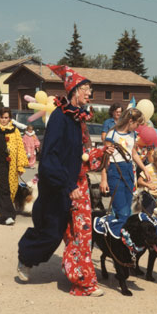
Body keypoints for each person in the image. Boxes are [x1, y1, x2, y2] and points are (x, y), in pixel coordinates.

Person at [17, 65, 107, 282]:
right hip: (56, 187)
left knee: (77, 232)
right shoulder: (60, 117)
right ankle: (26, 258)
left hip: (72, 186)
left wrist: (102, 153)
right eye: (85, 88)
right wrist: (68, 186)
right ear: (74, 90)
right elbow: (49, 159)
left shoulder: (77, 119)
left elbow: (79, 155)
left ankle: (80, 275)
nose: (89, 93)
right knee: (51, 233)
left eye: (90, 89)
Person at [62, 114, 114, 297]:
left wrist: (103, 154)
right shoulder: (63, 141)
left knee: (82, 235)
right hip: (68, 188)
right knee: (71, 234)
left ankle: (83, 280)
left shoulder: (83, 142)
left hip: (81, 190)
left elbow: (90, 161)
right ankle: (77, 277)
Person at [100, 107, 151, 224]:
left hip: (128, 171)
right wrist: (104, 179)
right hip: (115, 171)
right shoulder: (113, 134)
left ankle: (123, 236)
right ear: (130, 121)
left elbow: (133, 153)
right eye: (137, 124)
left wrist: (144, 169)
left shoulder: (132, 134)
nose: (138, 127)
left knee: (128, 210)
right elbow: (105, 157)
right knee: (121, 211)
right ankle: (117, 234)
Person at [0, 107, 29, 225]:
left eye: (6, 118)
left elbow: (20, 148)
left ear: (10, 118)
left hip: (12, 166)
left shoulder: (15, 131)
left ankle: (2, 210)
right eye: (2, 117)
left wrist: (20, 166)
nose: (4, 120)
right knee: (3, 188)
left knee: (11, 189)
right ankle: (8, 215)